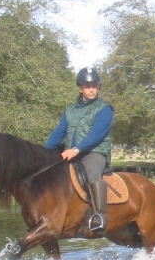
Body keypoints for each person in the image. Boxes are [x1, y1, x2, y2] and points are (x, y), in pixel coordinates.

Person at [45, 67, 114, 232]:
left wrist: (76, 150)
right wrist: (43, 153)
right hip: (71, 152)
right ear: (80, 88)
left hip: (95, 151)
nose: (91, 89)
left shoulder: (104, 109)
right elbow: (59, 133)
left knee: (91, 174)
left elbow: (97, 134)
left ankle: (99, 216)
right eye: (88, 85)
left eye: (95, 85)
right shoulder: (70, 110)